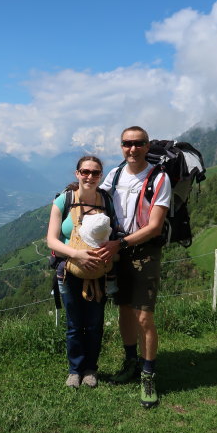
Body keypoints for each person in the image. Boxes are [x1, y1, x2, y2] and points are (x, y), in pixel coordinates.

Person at [96, 126, 171, 408]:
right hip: (118, 251)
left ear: (147, 145)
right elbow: (97, 201)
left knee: (144, 317)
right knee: (125, 310)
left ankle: (148, 374)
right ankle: (131, 362)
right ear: (121, 146)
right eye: (127, 143)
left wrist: (120, 244)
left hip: (143, 252)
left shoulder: (158, 177)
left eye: (138, 143)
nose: (132, 148)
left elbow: (154, 226)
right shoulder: (114, 176)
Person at [46, 156, 115, 389]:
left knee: (95, 323)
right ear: (77, 173)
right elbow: (51, 241)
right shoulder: (63, 201)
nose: (89, 177)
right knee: (75, 324)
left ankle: (90, 369)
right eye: (85, 171)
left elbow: (113, 235)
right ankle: (75, 370)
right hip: (69, 271)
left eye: (95, 173)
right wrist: (77, 255)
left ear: (101, 176)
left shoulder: (106, 201)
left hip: (98, 272)